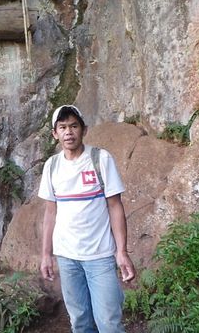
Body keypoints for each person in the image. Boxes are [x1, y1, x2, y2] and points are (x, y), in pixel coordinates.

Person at [39, 104, 135, 333]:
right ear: (55, 133)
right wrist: (46, 254)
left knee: (109, 324)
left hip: (99, 256)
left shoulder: (100, 159)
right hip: (67, 257)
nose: (68, 132)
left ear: (84, 130)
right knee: (80, 322)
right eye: (62, 127)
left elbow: (115, 206)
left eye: (74, 126)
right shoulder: (51, 166)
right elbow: (50, 212)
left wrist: (121, 251)